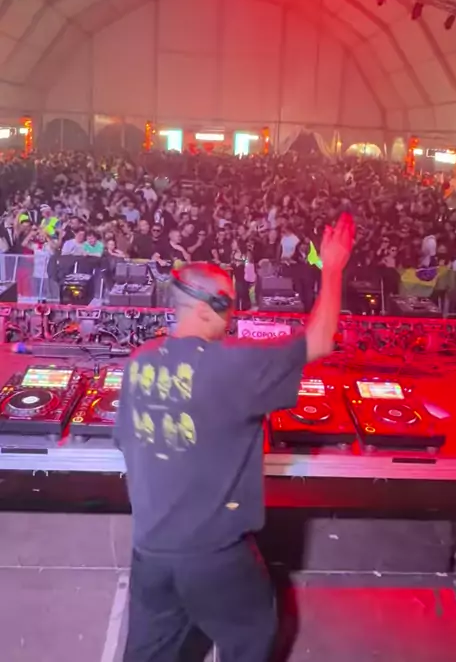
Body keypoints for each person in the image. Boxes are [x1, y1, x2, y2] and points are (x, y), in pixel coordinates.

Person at [115, 213, 354, 662]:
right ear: (205, 309)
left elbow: (134, 441)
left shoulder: (138, 362)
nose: (234, 313)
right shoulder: (231, 364)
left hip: (149, 552)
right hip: (213, 556)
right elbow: (320, 340)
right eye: (229, 303)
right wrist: (333, 268)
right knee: (253, 636)